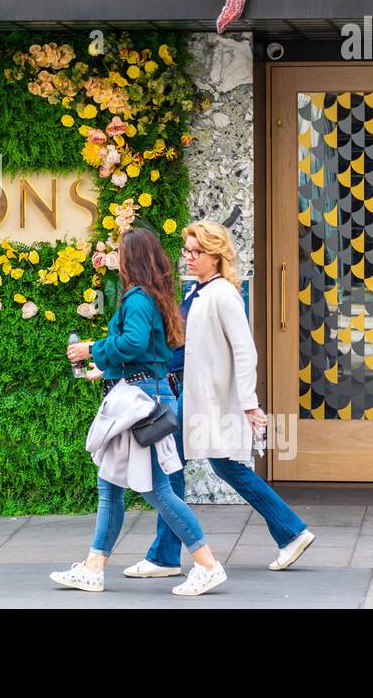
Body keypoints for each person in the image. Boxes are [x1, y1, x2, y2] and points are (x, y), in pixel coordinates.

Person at [123, 220, 315, 577]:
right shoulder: (198, 292)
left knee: (178, 467)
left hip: (206, 401)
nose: (190, 258)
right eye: (188, 251)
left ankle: (289, 531)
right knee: (190, 466)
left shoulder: (224, 294)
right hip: (190, 397)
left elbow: (245, 353)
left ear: (216, 255)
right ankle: (290, 531)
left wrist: (248, 404)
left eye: (198, 252)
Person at [54, 227, 227, 596]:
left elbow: (132, 343)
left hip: (141, 402)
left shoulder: (135, 298)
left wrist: (92, 349)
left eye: (120, 253)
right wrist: (108, 368)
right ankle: (93, 568)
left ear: (132, 258)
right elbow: (147, 351)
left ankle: (208, 564)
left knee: (157, 491)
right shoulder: (155, 296)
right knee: (111, 484)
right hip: (147, 392)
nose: (116, 259)